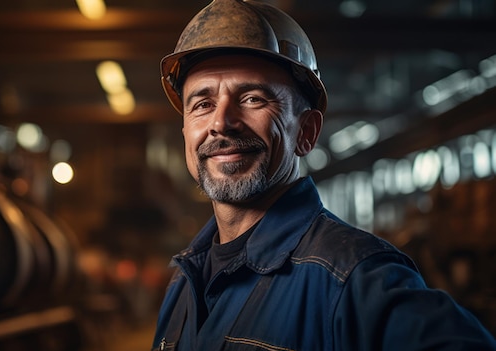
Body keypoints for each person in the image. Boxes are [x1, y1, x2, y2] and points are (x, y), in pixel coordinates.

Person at [151, 0, 496, 350]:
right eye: (202, 104)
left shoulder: (353, 279)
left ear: (306, 132)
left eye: (253, 98)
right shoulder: (185, 279)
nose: (221, 122)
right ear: (185, 134)